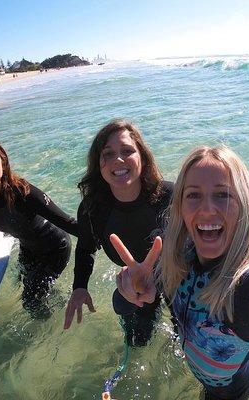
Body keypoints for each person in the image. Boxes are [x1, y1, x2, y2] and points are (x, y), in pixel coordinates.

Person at [112, 145, 249, 399]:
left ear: (244, 205)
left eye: (223, 194)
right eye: (193, 195)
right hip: (198, 364)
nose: (208, 209)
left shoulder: (248, 284)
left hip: (228, 390)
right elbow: (122, 307)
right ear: (179, 207)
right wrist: (129, 292)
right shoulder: (177, 255)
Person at [63, 119, 173, 347]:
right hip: (137, 284)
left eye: (127, 151)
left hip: (176, 277)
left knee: (188, 338)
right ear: (98, 164)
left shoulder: (169, 196)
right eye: (108, 153)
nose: (118, 159)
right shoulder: (93, 208)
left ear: (142, 156)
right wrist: (80, 287)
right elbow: (85, 247)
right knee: (137, 341)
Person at [0, 134, 78, 319]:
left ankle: (49, 327)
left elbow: (68, 223)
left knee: (30, 300)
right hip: (28, 248)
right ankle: (57, 301)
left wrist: (106, 235)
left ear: (2, 161)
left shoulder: (23, 192)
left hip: (55, 249)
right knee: (24, 280)